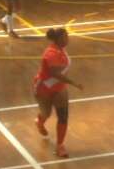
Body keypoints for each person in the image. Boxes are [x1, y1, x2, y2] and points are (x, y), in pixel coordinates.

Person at [33, 28, 83, 158]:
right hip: (44, 88)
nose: (67, 39)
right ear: (57, 39)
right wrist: (74, 83)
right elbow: (56, 74)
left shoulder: (61, 50)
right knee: (46, 113)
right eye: (65, 37)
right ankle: (39, 121)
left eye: (67, 36)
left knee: (63, 116)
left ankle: (60, 145)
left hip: (59, 88)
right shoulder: (51, 54)